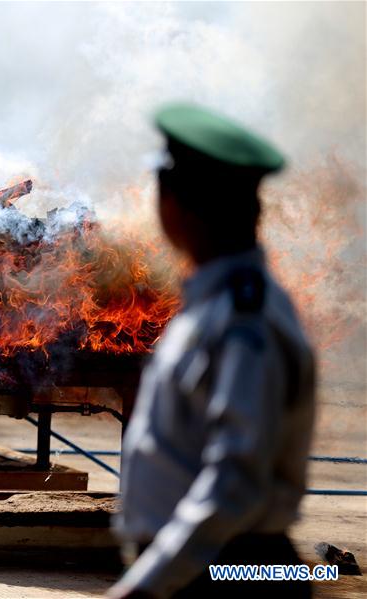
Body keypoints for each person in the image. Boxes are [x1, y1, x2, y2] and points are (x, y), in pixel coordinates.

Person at [108, 103, 316, 598]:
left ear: (179, 206)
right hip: (207, 567)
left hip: (227, 573)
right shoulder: (216, 304)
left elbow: (235, 481)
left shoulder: (242, 320)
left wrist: (146, 586)